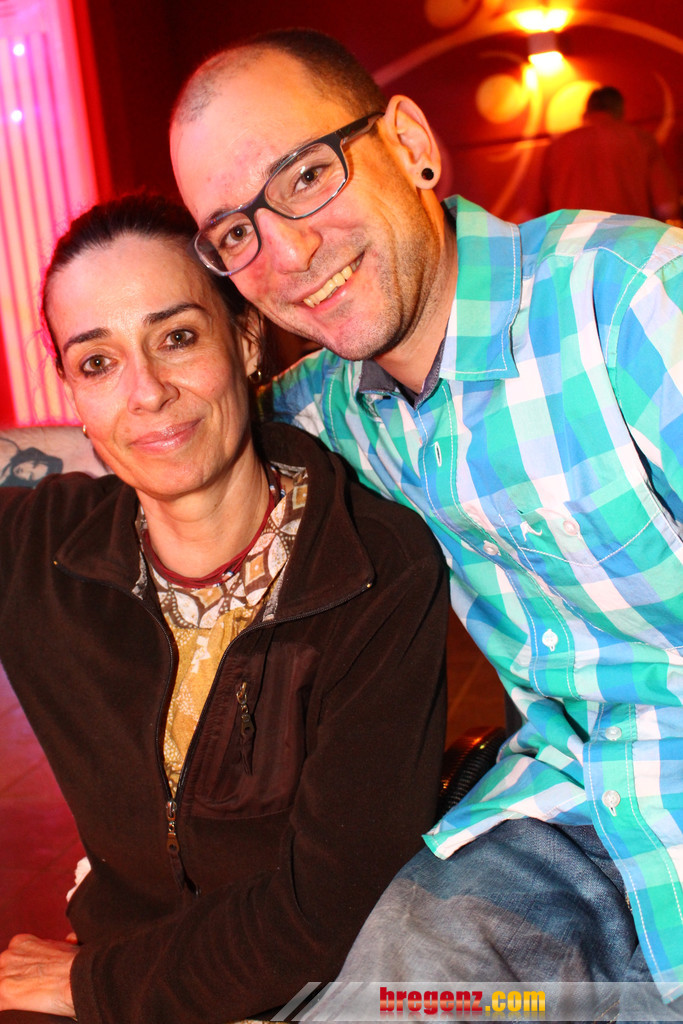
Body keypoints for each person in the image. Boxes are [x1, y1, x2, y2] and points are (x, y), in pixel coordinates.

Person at [6, 26, 683, 1018]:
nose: (288, 251)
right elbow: (168, 431)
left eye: (307, 175)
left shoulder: (633, 306)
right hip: (566, 812)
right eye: (235, 231)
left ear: (409, 142)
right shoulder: (331, 408)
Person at [0, 192, 448, 1022]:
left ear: (245, 339)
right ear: (69, 391)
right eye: (97, 364)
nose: (146, 393)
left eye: (176, 338)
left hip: (315, 995)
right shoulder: (43, 552)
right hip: (119, 961)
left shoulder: (373, 568)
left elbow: (325, 914)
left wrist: (89, 984)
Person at [541, 84, 681, 221]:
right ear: (620, 112)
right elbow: (666, 207)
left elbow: (532, 213)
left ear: (585, 114)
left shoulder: (557, 147)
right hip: (627, 234)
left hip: (572, 235)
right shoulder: (642, 141)